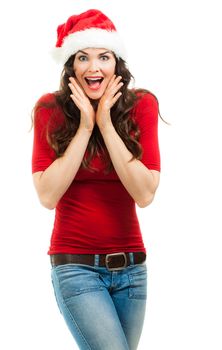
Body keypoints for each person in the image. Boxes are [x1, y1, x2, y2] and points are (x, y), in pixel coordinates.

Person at [31, 9, 161, 350]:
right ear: (71, 67)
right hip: (76, 269)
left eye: (103, 57)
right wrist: (86, 126)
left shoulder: (142, 106)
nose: (94, 68)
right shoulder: (50, 109)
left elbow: (145, 193)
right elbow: (47, 195)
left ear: (116, 64)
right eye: (83, 58)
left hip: (133, 269)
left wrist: (105, 123)